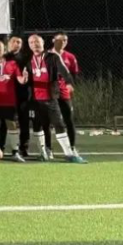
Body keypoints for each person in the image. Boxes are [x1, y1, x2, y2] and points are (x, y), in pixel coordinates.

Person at [27, 34, 85, 163]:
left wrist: (69, 83)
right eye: (31, 42)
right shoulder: (28, 60)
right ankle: (44, 153)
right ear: (29, 45)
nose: (35, 44)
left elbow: (64, 71)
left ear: (43, 43)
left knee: (59, 124)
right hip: (35, 100)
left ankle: (69, 154)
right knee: (38, 125)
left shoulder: (52, 57)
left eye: (37, 42)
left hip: (50, 98)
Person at [52, 32, 81, 156]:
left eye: (65, 40)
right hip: (49, 92)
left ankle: (72, 147)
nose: (62, 42)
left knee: (68, 119)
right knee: (46, 121)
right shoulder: (46, 55)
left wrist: (70, 86)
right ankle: (47, 149)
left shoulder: (70, 57)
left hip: (63, 93)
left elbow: (74, 74)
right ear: (53, 41)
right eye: (59, 40)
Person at [5, 35, 32, 160]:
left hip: (22, 94)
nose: (16, 44)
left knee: (24, 121)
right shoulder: (3, 58)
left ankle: (23, 148)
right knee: (6, 121)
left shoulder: (26, 58)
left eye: (19, 42)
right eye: (14, 41)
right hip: (6, 94)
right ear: (8, 43)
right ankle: (2, 146)